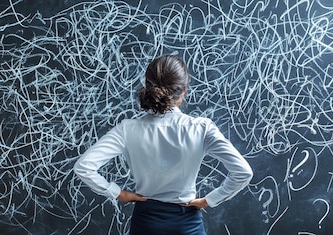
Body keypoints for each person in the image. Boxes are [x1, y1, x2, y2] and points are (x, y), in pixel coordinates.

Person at [74, 54, 253, 235]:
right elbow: (243, 172)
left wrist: (118, 193)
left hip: (146, 223)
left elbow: (84, 167)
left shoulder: (127, 129)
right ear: (183, 89)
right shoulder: (201, 128)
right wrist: (209, 200)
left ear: (148, 87)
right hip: (187, 223)